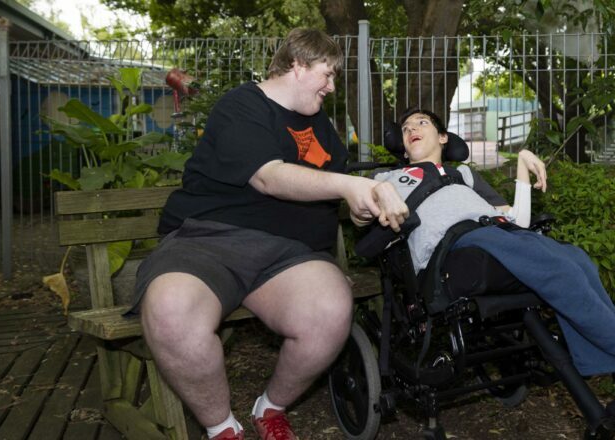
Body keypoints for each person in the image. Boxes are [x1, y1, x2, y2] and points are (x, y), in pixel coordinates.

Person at [366, 108, 615, 440]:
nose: (411, 129)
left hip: (499, 236)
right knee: (557, 265)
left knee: (578, 260)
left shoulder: (465, 175)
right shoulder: (387, 179)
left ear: (444, 138)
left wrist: (521, 164)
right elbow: (362, 224)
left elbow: (516, 220)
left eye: (421, 123)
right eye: (406, 128)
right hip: (454, 253)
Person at [129, 29, 407, 440]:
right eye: (326, 75)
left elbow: (340, 202)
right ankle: (222, 428)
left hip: (289, 255)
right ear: (298, 64)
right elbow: (268, 177)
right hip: (208, 242)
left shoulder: (323, 127)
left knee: (331, 310)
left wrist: (366, 210)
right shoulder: (242, 105)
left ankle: (271, 408)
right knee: (171, 310)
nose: (331, 87)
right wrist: (350, 186)